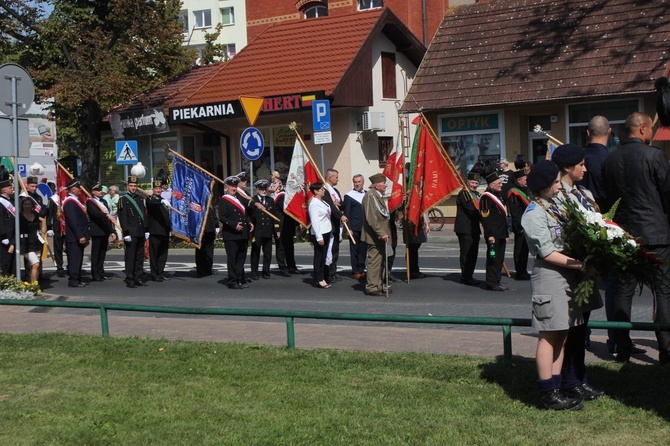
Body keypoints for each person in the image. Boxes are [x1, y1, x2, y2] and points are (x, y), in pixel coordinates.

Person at [602, 112, 670, 364]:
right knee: (663, 291)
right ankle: (667, 348)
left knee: (623, 291)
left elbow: (608, 198)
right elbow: (667, 193)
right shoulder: (654, 155)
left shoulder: (610, 160)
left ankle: (622, 346)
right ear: (642, 129)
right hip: (656, 233)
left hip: (624, 234)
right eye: (651, 128)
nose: (653, 132)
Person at [521, 160, 584, 411]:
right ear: (544, 186)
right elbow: (547, 252)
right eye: (556, 182)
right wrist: (580, 265)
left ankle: (557, 388)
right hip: (550, 275)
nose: (560, 186)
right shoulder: (534, 214)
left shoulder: (553, 206)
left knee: (562, 332)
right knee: (549, 334)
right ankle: (547, 392)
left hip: (565, 273)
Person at [551, 143, 604, 402]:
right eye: (581, 164)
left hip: (588, 269)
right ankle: (569, 380)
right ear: (566, 168)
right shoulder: (557, 197)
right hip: (571, 269)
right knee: (570, 330)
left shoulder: (585, 193)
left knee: (583, 328)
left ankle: (580, 379)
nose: (586, 167)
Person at [219, 176, 253, 289]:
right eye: (231, 186)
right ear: (227, 187)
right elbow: (222, 217)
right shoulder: (224, 200)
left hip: (242, 233)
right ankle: (233, 280)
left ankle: (240, 278)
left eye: (235, 186)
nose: (233, 188)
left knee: (241, 258)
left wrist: (249, 222)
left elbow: (245, 213)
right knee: (233, 258)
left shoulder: (239, 198)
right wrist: (234, 225)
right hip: (231, 235)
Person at [361, 173, 391, 296]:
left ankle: (379, 284)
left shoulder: (378, 196)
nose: (385, 185)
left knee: (382, 261)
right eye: (383, 183)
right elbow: (371, 217)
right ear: (376, 184)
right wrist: (381, 233)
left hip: (381, 236)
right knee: (374, 261)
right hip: (375, 236)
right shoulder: (370, 196)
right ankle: (372, 286)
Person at [118, 176, 149, 288]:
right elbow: (123, 217)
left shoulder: (140, 198)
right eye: (131, 186)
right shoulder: (123, 200)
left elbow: (144, 215)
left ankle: (138, 277)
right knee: (130, 257)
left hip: (140, 232)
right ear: (127, 186)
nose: (133, 188)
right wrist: (126, 233)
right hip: (131, 233)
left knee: (140, 257)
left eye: (135, 186)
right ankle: (130, 278)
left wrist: (146, 229)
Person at [480, 170, 509, 291]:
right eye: (499, 183)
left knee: (499, 258)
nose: (501, 185)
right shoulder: (486, 198)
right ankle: (491, 282)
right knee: (493, 258)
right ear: (491, 185)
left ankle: (497, 280)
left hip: (501, 233)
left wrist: (505, 233)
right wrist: (490, 235)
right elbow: (485, 219)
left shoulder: (498, 196)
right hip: (493, 235)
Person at [454, 171, 481, 286]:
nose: (474, 185)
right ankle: (465, 276)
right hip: (465, 228)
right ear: (468, 182)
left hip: (474, 228)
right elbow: (471, 209)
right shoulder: (464, 193)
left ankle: (469, 275)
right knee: (466, 253)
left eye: (476, 183)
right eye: (473, 182)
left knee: (473, 253)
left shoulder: (477, 194)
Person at [62, 179, 90, 288]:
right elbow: (73, 221)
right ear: (73, 190)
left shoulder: (74, 201)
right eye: (78, 189)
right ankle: (73, 280)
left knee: (78, 258)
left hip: (77, 236)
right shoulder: (70, 202)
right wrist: (80, 236)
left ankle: (77, 279)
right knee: (74, 259)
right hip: (74, 237)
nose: (80, 191)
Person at [86, 183, 116, 282]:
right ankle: (95, 273)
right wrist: (106, 215)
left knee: (103, 253)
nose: (100, 192)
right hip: (96, 230)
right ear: (93, 191)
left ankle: (101, 272)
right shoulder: (91, 202)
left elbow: (108, 218)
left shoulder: (103, 201)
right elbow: (95, 213)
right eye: (98, 190)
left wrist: (112, 231)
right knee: (96, 254)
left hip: (104, 231)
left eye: (101, 190)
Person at [322, 169, 347, 282]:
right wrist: (340, 215)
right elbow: (330, 207)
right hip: (330, 224)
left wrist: (340, 205)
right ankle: (327, 273)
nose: (338, 179)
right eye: (336, 177)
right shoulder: (325, 191)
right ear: (330, 178)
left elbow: (338, 205)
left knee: (335, 249)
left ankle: (333, 271)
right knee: (329, 250)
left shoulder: (334, 191)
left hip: (337, 225)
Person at [249, 179, 276, 280]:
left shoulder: (270, 200)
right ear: (257, 190)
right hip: (257, 231)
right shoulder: (253, 200)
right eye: (261, 189)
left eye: (265, 189)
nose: (264, 191)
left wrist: (276, 230)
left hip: (267, 230)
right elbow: (250, 215)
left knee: (267, 253)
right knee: (255, 252)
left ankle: (266, 271)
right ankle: (254, 272)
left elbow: (274, 216)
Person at [308, 182, 332, 289]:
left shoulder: (323, 201)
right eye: (321, 189)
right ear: (316, 191)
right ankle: (319, 279)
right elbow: (315, 221)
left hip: (326, 231)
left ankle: (323, 276)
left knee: (324, 256)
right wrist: (319, 237)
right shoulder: (314, 203)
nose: (323, 190)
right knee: (319, 257)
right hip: (320, 233)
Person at [507, 169, 531, 280]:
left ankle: (523, 269)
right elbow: (515, 211)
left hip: (526, 223)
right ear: (518, 180)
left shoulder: (524, 190)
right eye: (525, 180)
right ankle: (520, 271)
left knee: (525, 249)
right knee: (520, 248)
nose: (526, 181)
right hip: (520, 225)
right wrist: (519, 226)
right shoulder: (514, 192)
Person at [146, 179, 172, 282]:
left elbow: (166, 216)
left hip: (164, 231)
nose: (158, 190)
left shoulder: (163, 200)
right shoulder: (151, 199)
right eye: (156, 188)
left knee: (163, 254)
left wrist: (169, 229)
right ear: (153, 189)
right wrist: (160, 201)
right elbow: (152, 204)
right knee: (155, 254)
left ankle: (160, 273)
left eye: (159, 188)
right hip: (155, 231)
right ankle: (154, 274)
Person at [343, 174, 367, 280]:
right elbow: (346, 214)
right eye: (355, 182)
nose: (357, 184)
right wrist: (348, 228)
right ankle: (355, 271)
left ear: (363, 182)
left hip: (365, 228)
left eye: (359, 182)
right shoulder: (349, 196)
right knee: (354, 250)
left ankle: (362, 269)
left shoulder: (367, 194)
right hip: (354, 228)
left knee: (363, 250)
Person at [18, 197, 42, 283]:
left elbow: (39, 224)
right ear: (22, 205)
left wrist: (43, 228)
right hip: (25, 243)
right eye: (25, 204)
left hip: (36, 241)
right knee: (35, 264)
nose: (27, 206)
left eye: (29, 204)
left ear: (32, 205)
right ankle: (33, 286)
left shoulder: (35, 214)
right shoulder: (19, 216)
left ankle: (33, 283)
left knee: (35, 266)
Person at [195, 197, 219, 278]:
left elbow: (213, 215)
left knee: (209, 250)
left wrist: (216, 225)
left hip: (210, 229)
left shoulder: (210, 202)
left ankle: (208, 268)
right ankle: (201, 270)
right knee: (200, 251)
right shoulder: (198, 202)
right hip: (201, 230)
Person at [270, 183, 291, 277]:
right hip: (280, 226)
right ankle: (283, 268)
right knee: (281, 248)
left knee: (289, 247)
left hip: (287, 226)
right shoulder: (281, 196)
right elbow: (286, 208)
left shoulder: (286, 195)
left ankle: (291, 266)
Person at [46, 183, 66, 277]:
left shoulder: (67, 198)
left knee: (70, 248)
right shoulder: (53, 199)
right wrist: (49, 227)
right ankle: (59, 267)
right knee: (58, 248)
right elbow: (49, 214)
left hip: (67, 227)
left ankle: (70, 266)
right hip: (57, 226)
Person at [0, 167, 16, 276]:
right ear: (4, 190)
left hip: (13, 237)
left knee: (13, 263)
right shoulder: (1, 202)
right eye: (10, 187)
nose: (12, 189)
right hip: (4, 238)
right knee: (5, 262)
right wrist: (3, 236)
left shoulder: (12, 201)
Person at [405, 210, 430, 279]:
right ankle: (413, 270)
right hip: (413, 222)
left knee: (414, 247)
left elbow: (423, 211)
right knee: (413, 248)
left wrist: (427, 223)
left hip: (418, 221)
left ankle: (413, 269)